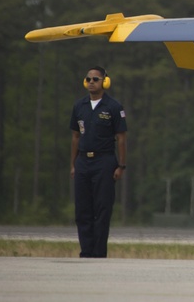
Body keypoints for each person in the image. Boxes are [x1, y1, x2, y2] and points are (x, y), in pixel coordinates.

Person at [70, 65, 127, 258]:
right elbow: (75, 137)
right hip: (83, 162)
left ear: (105, 81)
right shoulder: (79, 106)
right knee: (82, 209)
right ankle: (86, 251)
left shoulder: (113, 107)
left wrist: (121, 165)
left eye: (95, 79)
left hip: (104, 162)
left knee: (102, 209)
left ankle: (98, 252)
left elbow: (121, 138)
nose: (91, 82)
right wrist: (73, 164)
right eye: (88, 79)